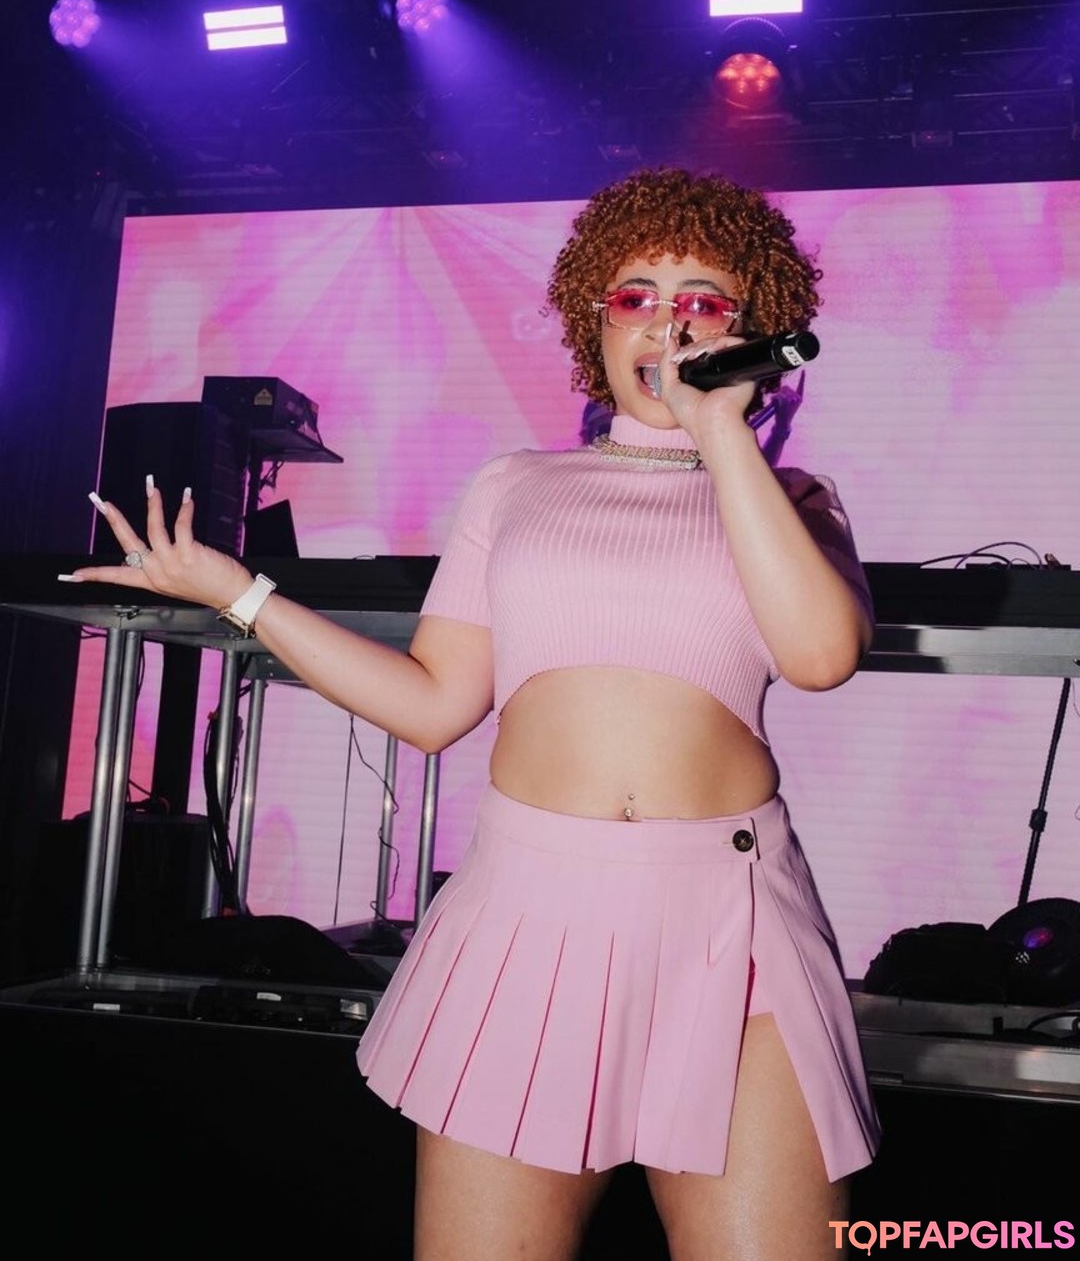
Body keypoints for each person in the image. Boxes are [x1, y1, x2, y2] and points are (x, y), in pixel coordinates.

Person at [69, 166, 879, 1260]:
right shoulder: (515, 485)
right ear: (594, 320)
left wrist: (722, 432)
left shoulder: (794, 498)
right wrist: (238, 593)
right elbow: (434, 705)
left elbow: (821, 655)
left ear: (751, 327)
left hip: (733, 930)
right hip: (525, 917)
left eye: (703, 300)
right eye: (636, 295)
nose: (668, 322)